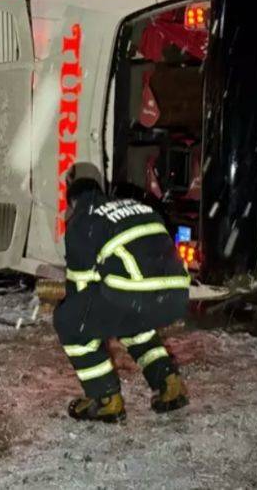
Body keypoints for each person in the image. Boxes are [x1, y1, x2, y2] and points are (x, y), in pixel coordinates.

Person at [52, 163, 191, 423]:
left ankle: (105, 399)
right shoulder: (133, 205)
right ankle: (169, 383)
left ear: (71, 199)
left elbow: (80, 288)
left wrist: (77, 315)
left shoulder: (83, 219)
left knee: (70, 321)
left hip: (137, 293)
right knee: (131, 319)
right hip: (176, 295)